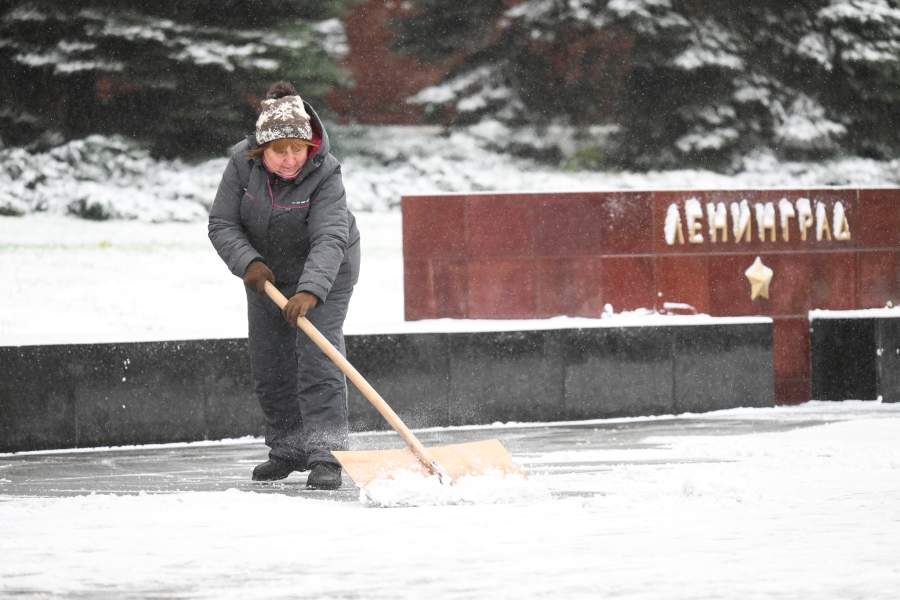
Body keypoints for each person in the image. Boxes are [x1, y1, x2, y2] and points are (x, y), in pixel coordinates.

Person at [208, 81, 360, 489]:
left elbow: (330, 237)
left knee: (317, 356)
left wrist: (311, 290)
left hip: (327, 269)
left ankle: (326, 454)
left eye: (299, 149)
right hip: (266, 274)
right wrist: (249, 263)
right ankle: (289, 449)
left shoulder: (326, 171)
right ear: (262, 150)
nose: (292, 159)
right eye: (281, 151)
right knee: (271, 360)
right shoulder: (241, 165)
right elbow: (222, 223)